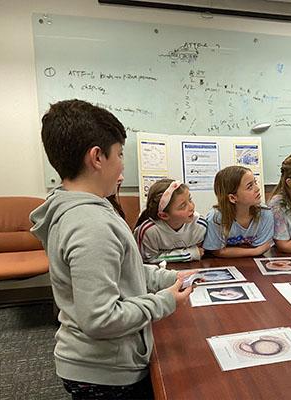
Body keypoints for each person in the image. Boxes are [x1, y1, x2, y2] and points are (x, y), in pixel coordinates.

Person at [30, 99, 196, 399]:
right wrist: (165, 301)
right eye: (119, 154)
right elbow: (101, 318)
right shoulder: (91, 225)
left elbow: (122, 267)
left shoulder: (78, 208)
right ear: (97, 157)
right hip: (106, 372)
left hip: (100, 361)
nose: (122, 164)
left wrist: (166, 279)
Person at [203, 165, 274, 257]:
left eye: (255, 182)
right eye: (250, 187)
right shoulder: (216, 218)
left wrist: (256, 251)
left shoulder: (265, 213)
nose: (257, 188)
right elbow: (218, 251)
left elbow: (263, 247)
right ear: (233, 198)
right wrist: (255, 251)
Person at [134, 178, 207, 263]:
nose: (191, 207)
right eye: (183, 206)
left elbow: (202, 251)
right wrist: (189, 254)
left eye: (190, 199)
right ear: (164, 215)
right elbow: (148, 259)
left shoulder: (200, 225)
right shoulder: (149, 231)